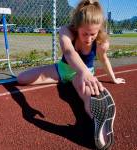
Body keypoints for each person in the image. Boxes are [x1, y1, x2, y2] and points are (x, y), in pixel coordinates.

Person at [17, 0, 125, 149]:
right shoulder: (66, 30)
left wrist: (113, 78)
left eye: (92, 34)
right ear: (77, 27)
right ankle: (96, 110)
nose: (88, 38)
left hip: (80, 76)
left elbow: (104, 59)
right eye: (84, 33)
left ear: (99, 29)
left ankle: (99, 122)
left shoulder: (101, 42)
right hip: (63, 69)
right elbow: (69, 51)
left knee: (86, 94)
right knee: (21, 78)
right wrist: (26, 108)